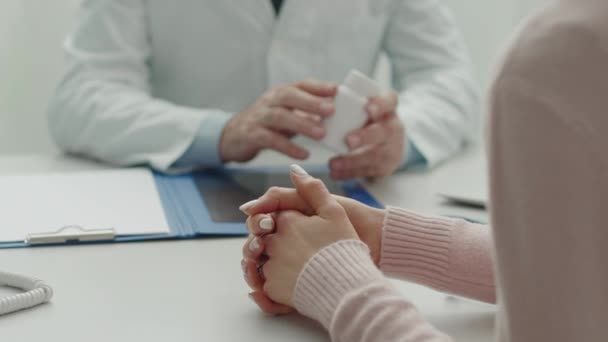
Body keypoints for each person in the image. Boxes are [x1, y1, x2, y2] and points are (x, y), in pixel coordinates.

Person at [240, 0, 608, 340]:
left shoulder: (564, 55)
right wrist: (389, 239)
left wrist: (335, 282)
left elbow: (447, 78)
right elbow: (585, 276)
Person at [47, 0, 478, 178]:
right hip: (186, 192)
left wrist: (398, 141)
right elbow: (81, 97)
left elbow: (451, 81)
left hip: (342, 201)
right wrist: (221, 133)